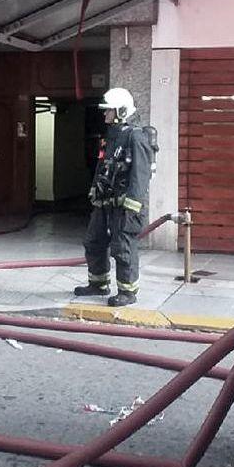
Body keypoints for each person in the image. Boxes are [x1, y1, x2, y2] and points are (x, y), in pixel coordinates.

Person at [74, 88, 154, 307]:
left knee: (123, 246)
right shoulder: (111, 137)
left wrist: (132, 205)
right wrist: (94, 190)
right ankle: (98, 283)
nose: (104, 114)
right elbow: (102, 166)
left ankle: (128, 292)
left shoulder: (136, 137)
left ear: (121, 111)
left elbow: (141, 173)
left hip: (125, 205)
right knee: (93, 241)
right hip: (105, 202)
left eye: (108, 110)